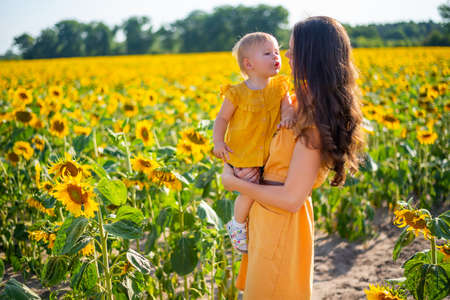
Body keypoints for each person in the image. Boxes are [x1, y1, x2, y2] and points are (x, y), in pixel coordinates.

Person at [220, 16, 366, 299]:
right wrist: (231, 162)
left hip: (281, 225)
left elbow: (291, 198)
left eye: (292, 48)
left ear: (312, 55)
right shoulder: (295, 101)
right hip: (265, 217)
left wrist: (233, 183)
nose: (285, 55)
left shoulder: (314, 118)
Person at [212, 32, 296, 253]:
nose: (276, 56)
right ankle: (237, 225)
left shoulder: (280, 86)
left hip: (270, 154)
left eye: (277, 51)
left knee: (264, 190)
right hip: (244, 153)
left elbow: (287, 106)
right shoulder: (237, 93)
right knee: (249, 190)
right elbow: (221, 119)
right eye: (268, 53)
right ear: (249, 64)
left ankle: (252, 226)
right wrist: (218, 143)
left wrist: (287, 116)